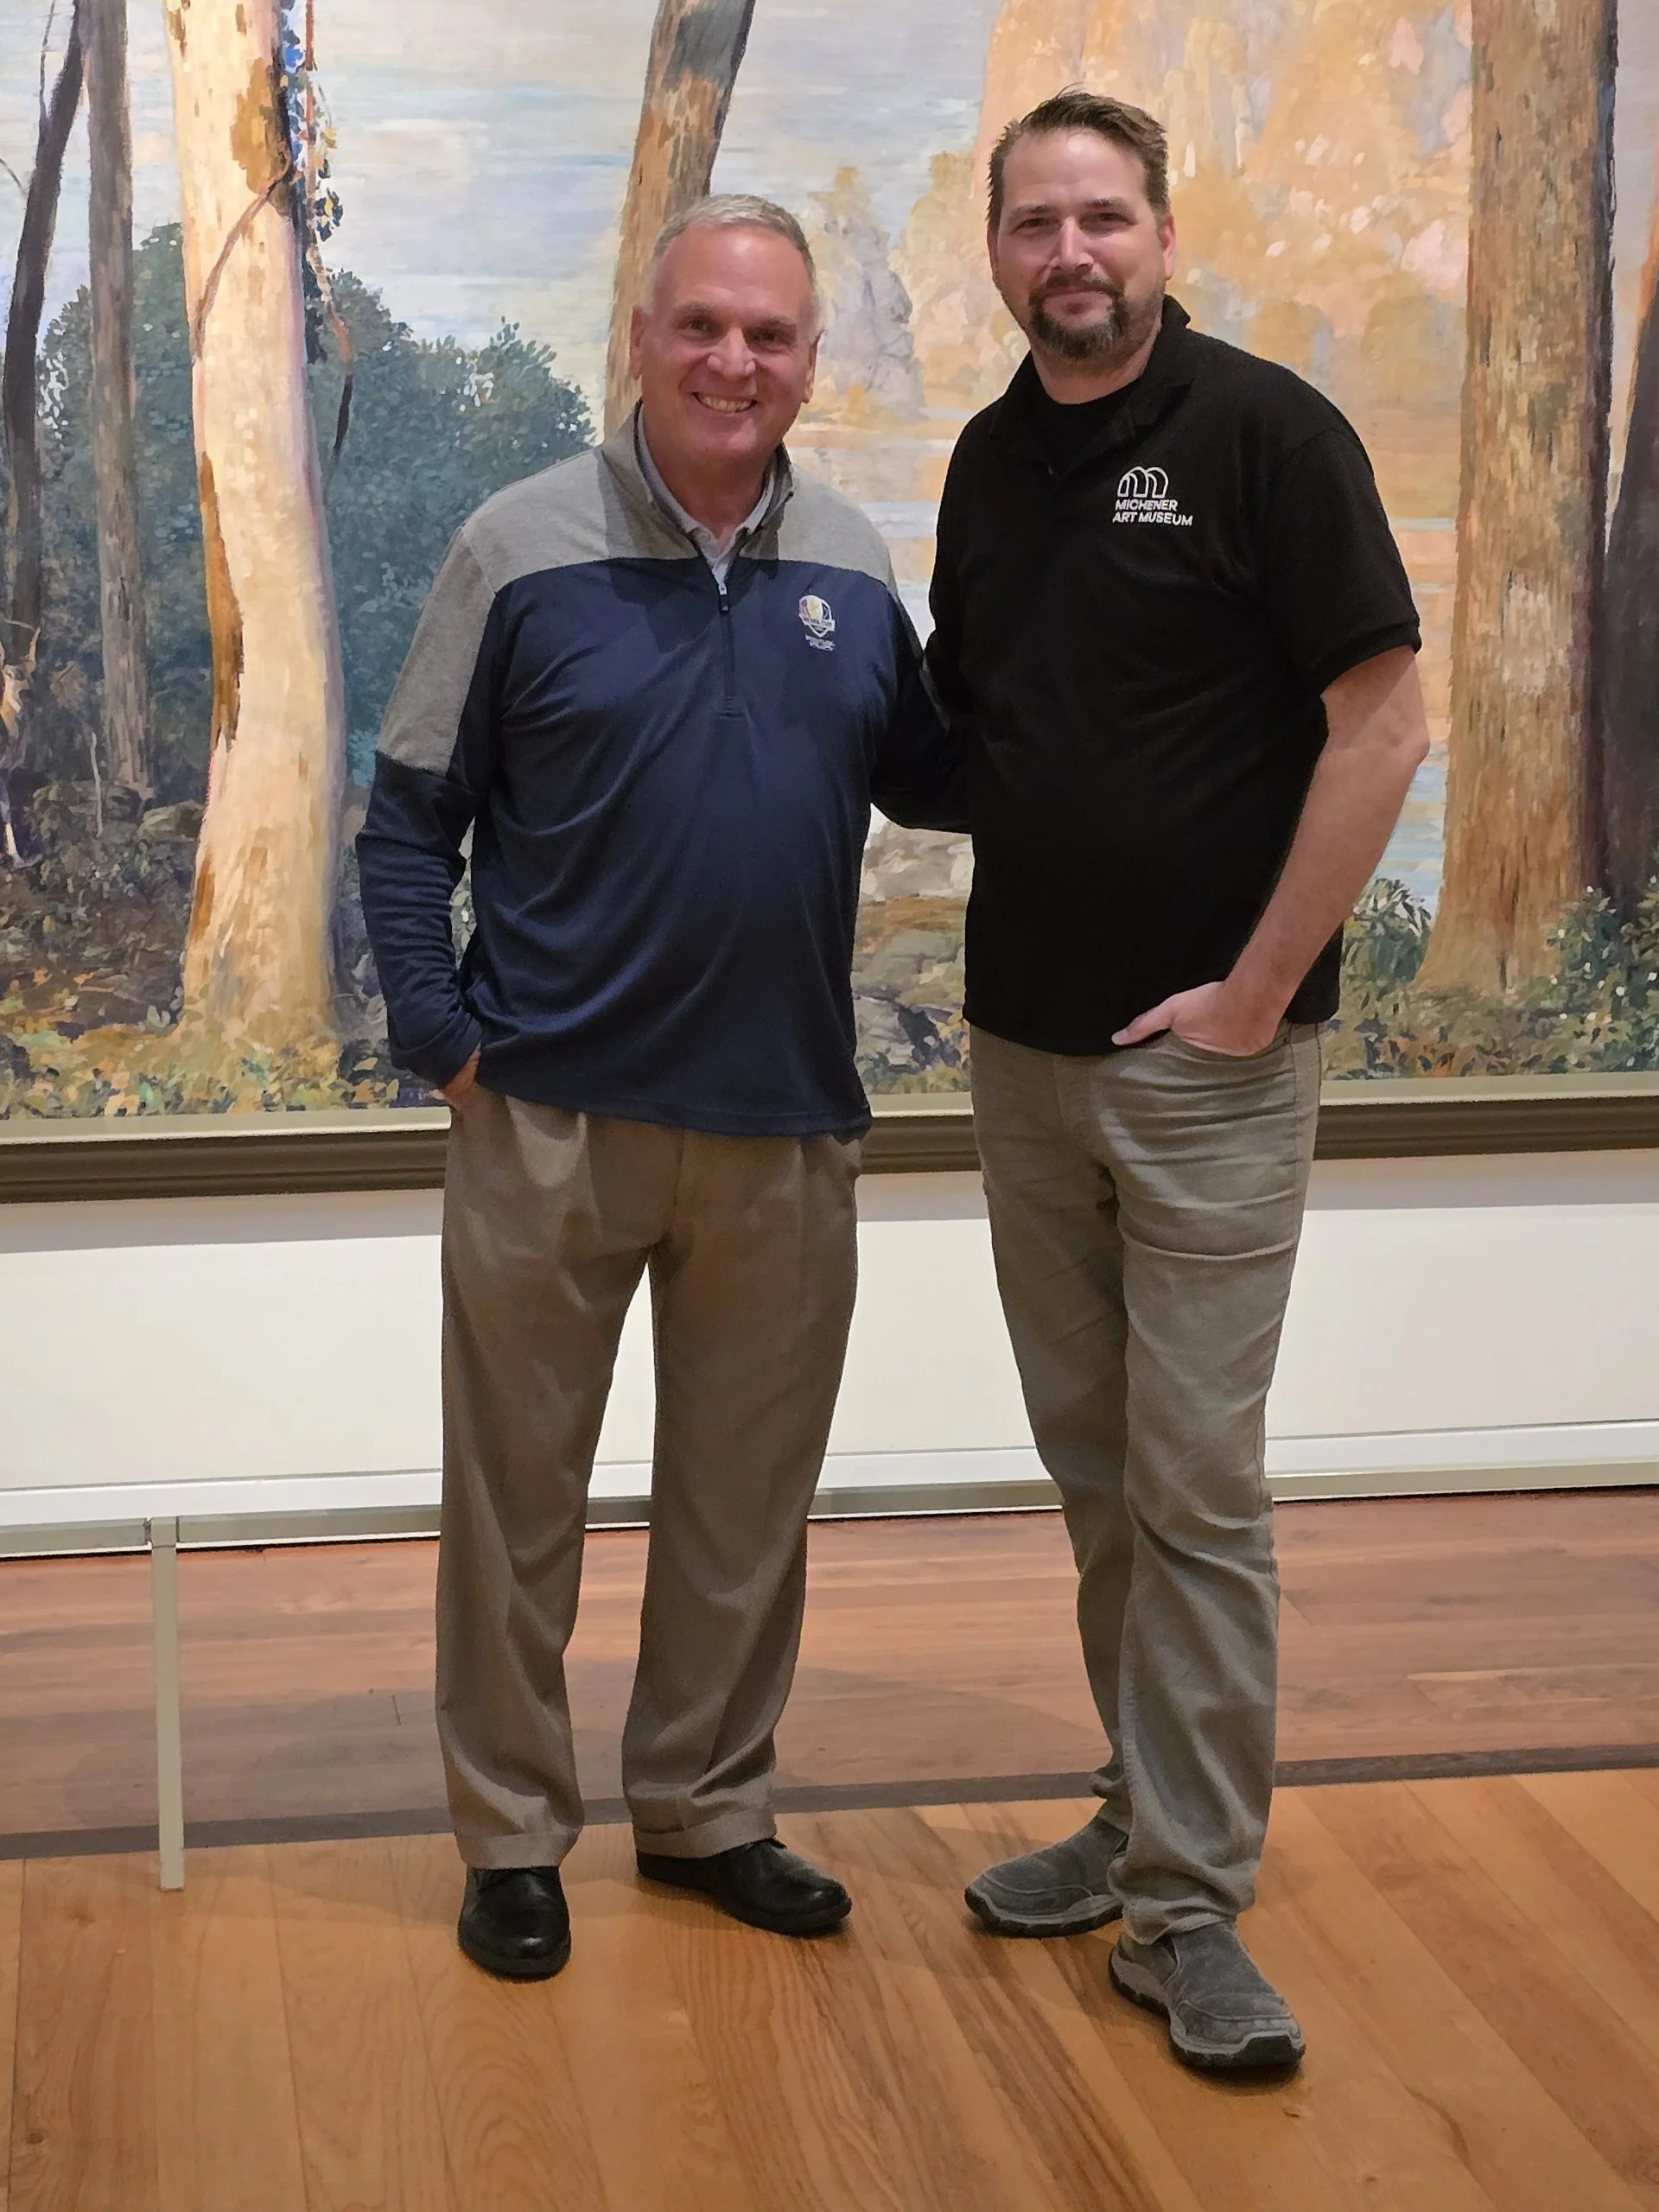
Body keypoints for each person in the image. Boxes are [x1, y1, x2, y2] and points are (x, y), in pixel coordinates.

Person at [357, 194, 959, 1980]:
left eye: (768, 335)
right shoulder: (515, 547)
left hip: (784, 1123)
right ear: (640, 338)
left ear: (810, 363)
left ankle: (705, 1806)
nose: (732, 361)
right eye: (701, 325)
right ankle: (511, 1835)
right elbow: (407, 820)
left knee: (743, 1507)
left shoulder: (851, 565)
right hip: (548, 1118)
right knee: (515, 1507)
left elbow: (944, 777)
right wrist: (444, 1038)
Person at [928, 92, 1429, 2073]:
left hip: (1213, 1075)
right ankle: (1140, 1815)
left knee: (1199, 1486)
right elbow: (976, 728)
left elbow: (1383, 727)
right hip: (1021, 1059)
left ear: (1160, 232)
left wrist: (1256, 990)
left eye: (1105, 216)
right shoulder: (987, 462)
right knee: (1100, 1473)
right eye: (1037, 221)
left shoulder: (1269, 437)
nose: (1073, 251)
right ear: (998, 250)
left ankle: (1193, 1910)